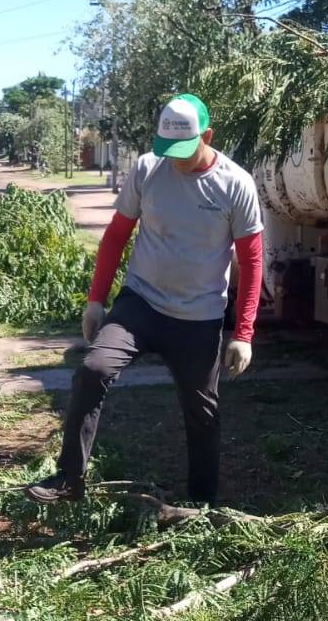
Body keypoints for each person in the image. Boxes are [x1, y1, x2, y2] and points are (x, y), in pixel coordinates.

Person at [26, 93, 263, 507]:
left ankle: (200, 505)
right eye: (168, 149)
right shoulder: (148, 169)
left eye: (183, 150)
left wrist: (243, 333)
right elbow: (116, 235)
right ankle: (69, 478)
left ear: (207, 136)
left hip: (199, 316)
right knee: (92, 369)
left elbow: (252, 259)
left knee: (203, 413)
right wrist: (96, 301)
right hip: (141, 304)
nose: (175, 160)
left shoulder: (235, 184)